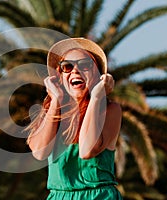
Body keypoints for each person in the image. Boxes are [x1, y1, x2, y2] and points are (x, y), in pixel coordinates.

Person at [26, 38, 123, 199]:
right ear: (60, 75)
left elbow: (86, 150)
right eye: (67, 67)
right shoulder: (53, 112)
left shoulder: (109, 110)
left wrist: (97, 97)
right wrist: (55, 99)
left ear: (98, 74)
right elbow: (40, 152)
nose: (75, 71)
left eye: (85, 65)